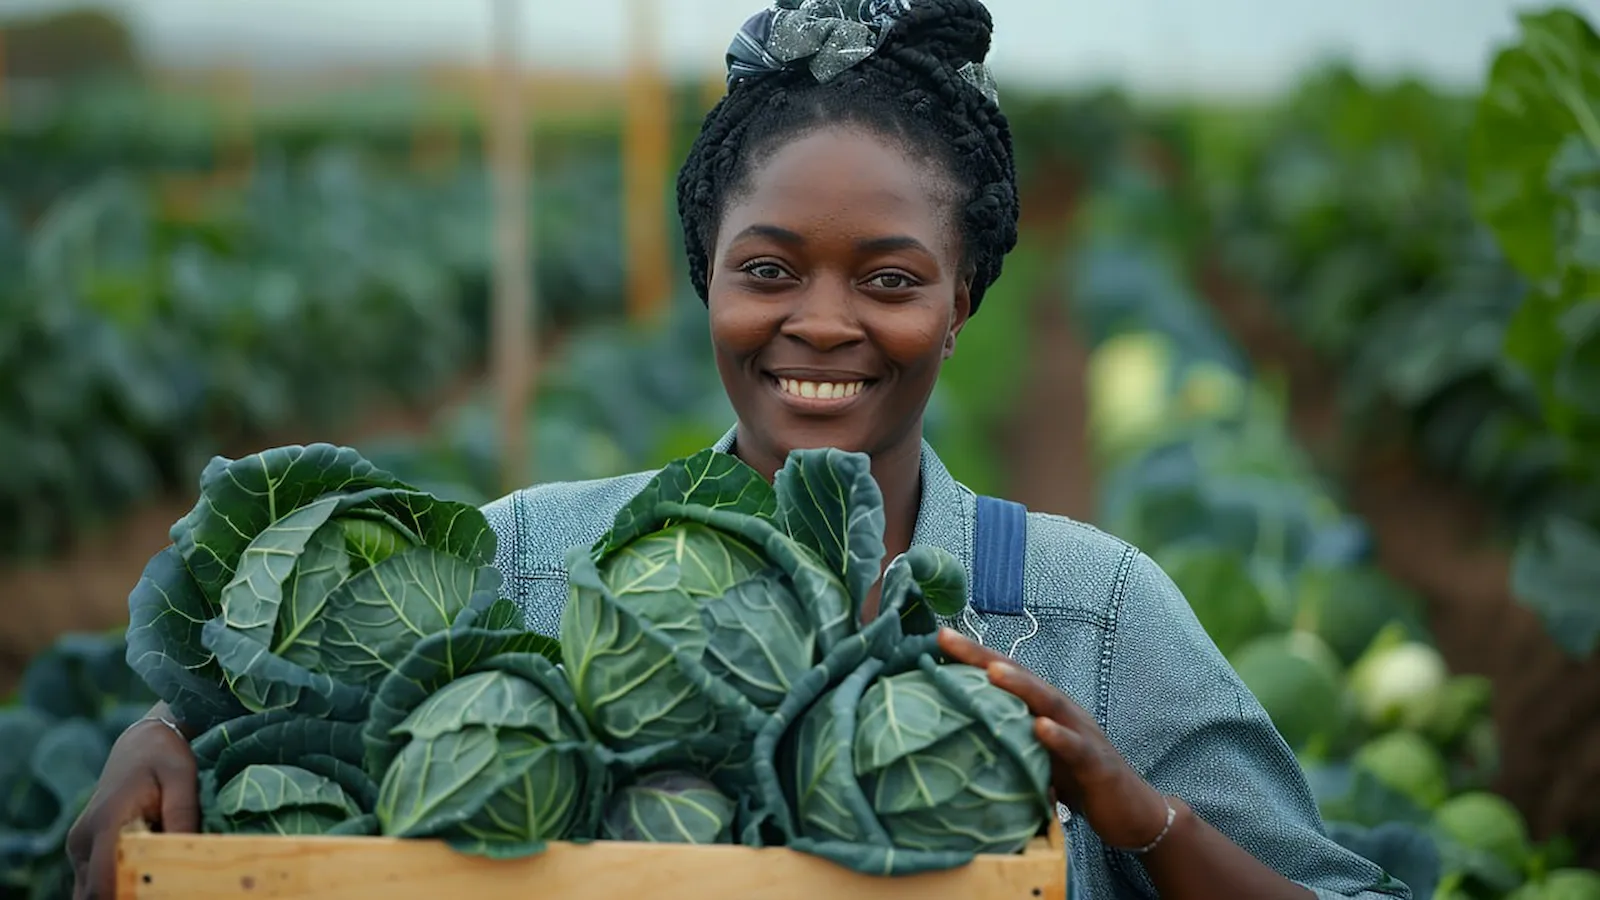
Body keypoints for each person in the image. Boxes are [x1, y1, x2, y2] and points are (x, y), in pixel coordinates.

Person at [66, 1, 1411, 898]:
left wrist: (1138, 817)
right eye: (768, 269)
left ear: (963, 305)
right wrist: (165, 727)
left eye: (890, 280)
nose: (820, 324)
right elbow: (303, 710)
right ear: (708, 275)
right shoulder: (539, 556)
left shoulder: (1087, 611)